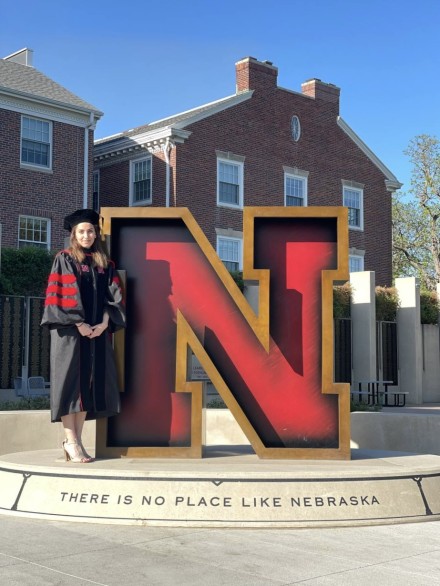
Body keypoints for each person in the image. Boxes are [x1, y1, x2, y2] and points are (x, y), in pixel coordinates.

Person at [41, 208, 125, 463]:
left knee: (87, 387)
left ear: (96, 234)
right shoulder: (65, 259)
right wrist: (79, 323)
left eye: (90, 231)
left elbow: (115, 299)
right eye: (81, 231)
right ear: (73, 235)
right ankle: (71, 440)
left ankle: (76, 442)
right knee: (70, 386)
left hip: (97, 333)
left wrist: (104, 323)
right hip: (70, 333)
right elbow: (61, 296)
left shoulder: (104, 264)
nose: (86, 235)